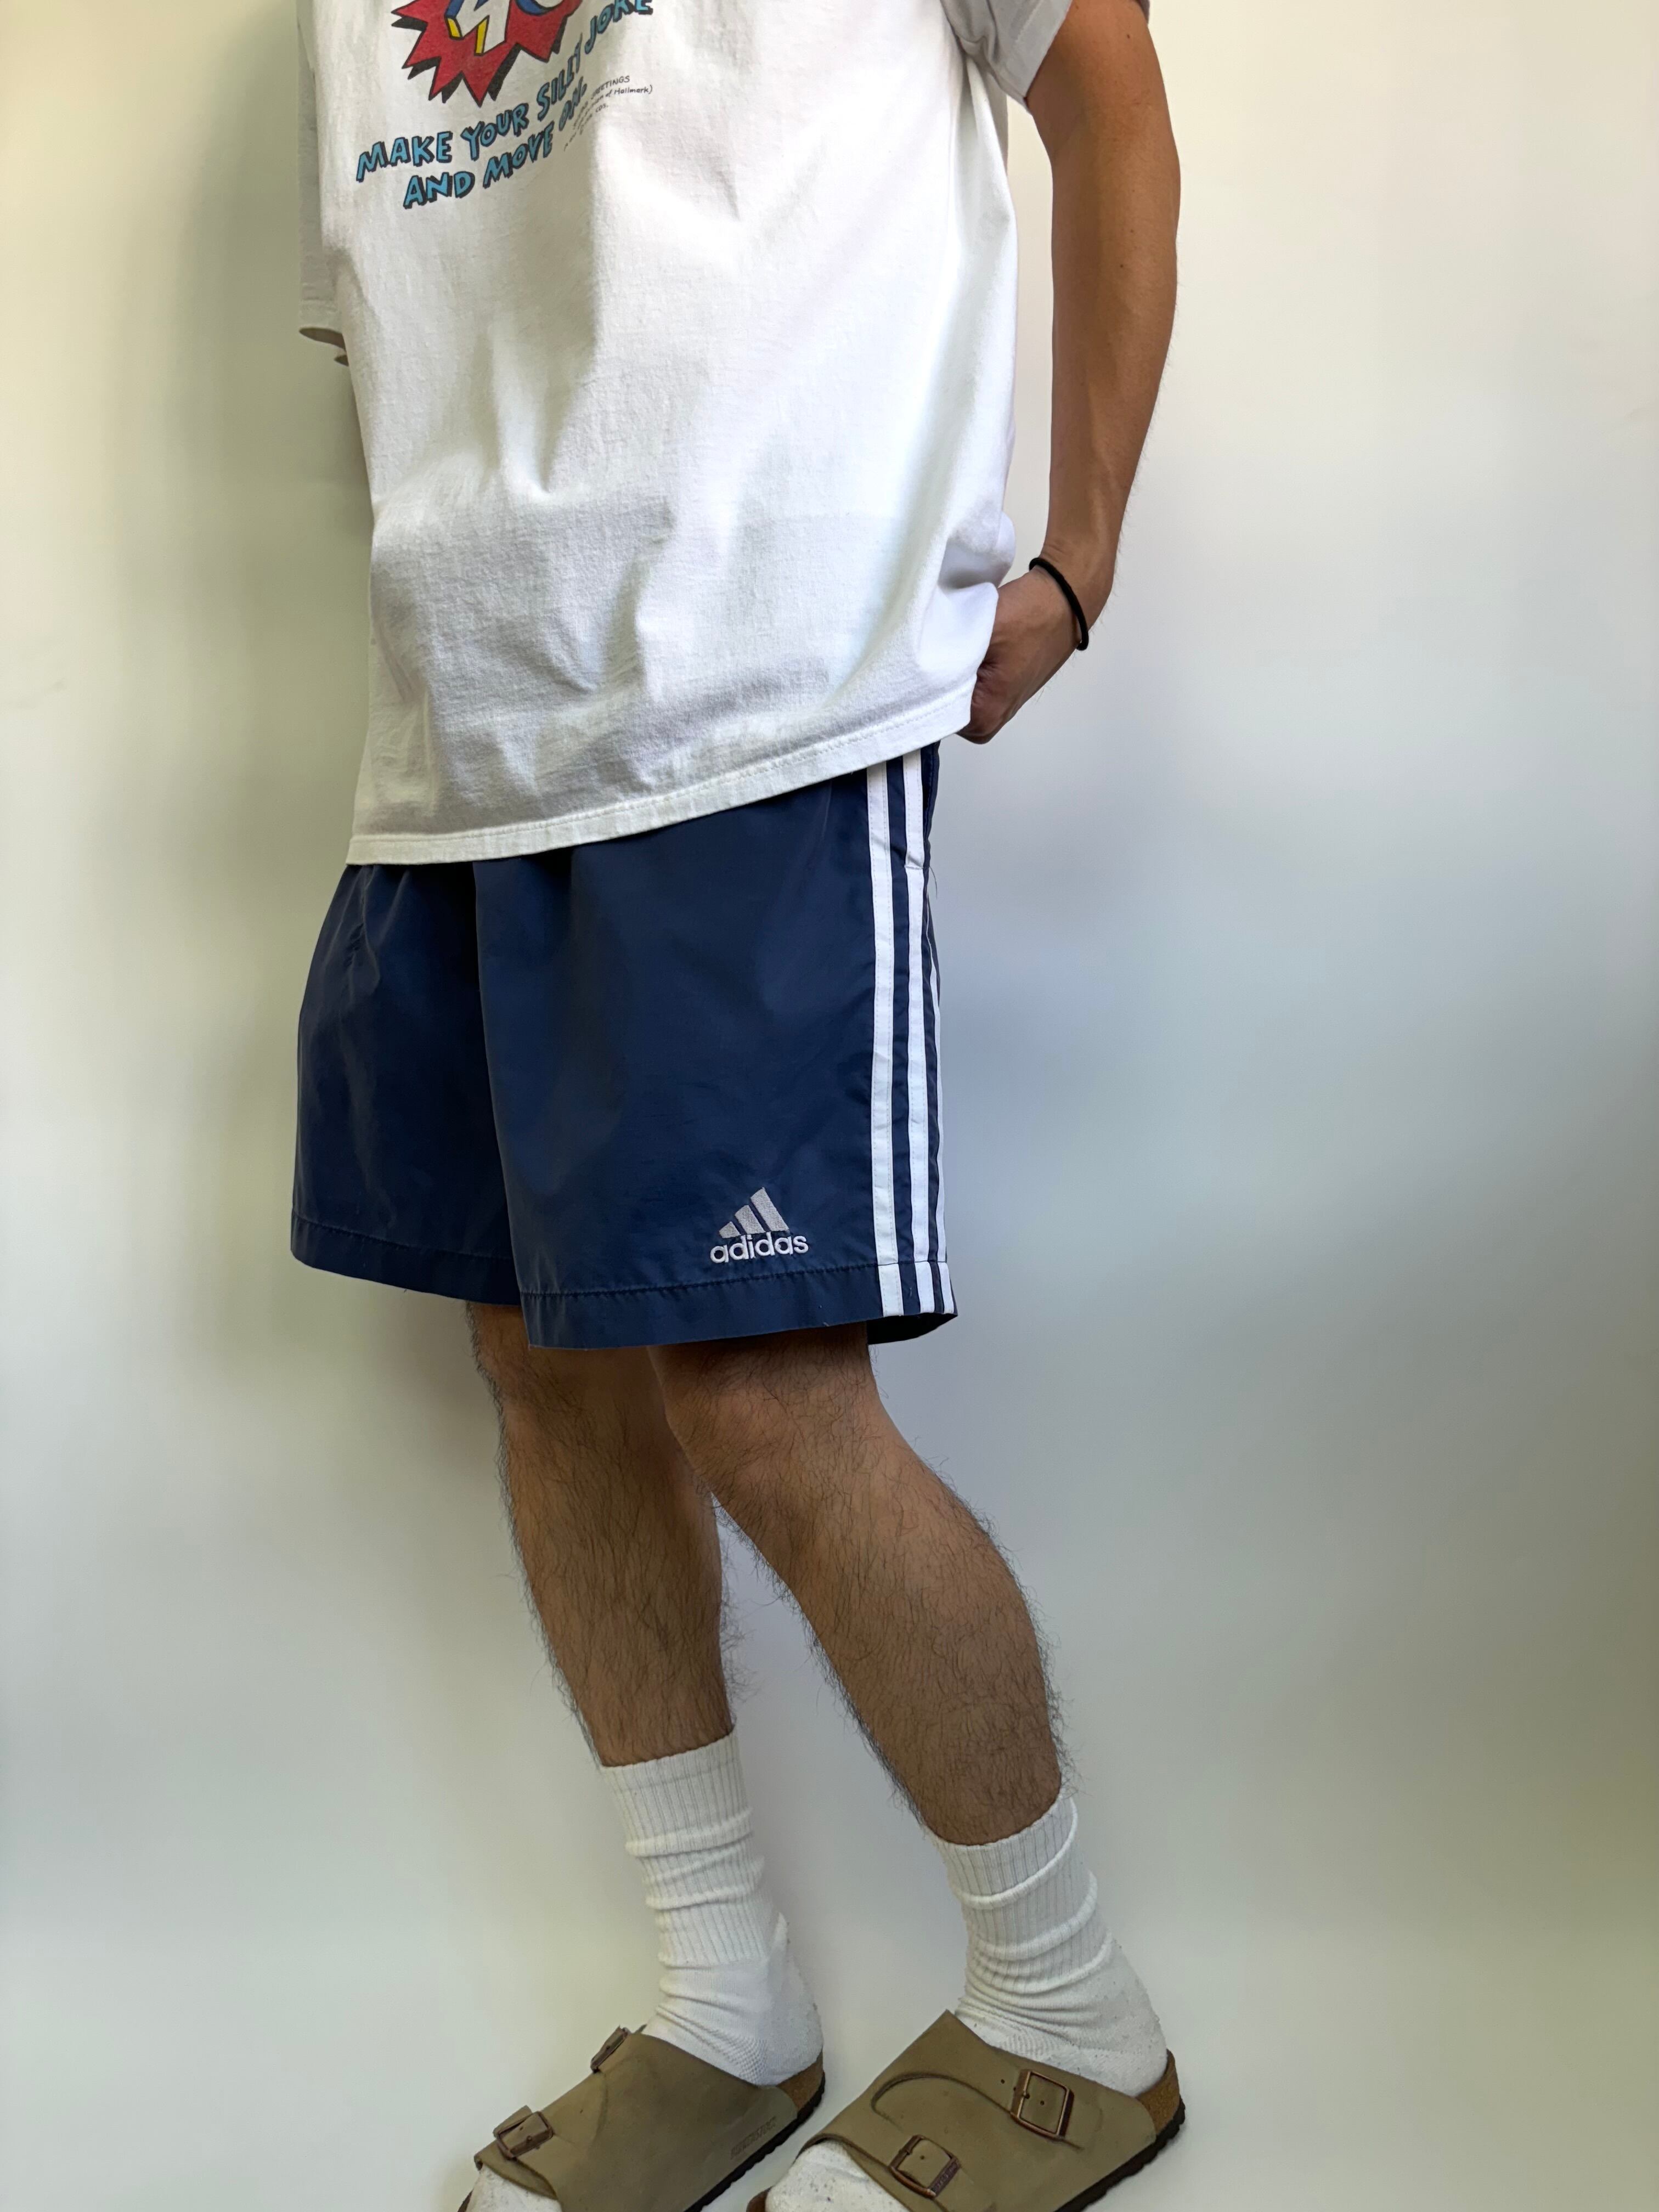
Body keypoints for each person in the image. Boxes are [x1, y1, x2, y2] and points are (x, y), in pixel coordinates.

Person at [290, 0, 1181, 2205]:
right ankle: (731, 2006)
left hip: (758, 683)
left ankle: (1069, 2012)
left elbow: (1110, 99)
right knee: (538, 1367)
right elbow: (404, 311)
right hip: (460, 731)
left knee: (762, 1392)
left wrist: (1079, 557)